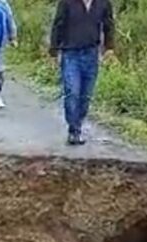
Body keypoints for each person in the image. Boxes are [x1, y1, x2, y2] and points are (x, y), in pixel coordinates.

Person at [49, 0, 115, 145]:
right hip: (70, 53)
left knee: (86, 95)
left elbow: (109, 24)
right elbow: (58, 25)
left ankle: (78, 124)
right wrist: (53, 51)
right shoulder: (67, 2)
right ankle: (74, 130)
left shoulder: (103, 3)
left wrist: (109, 47)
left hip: (91, 53)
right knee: (72, 91)